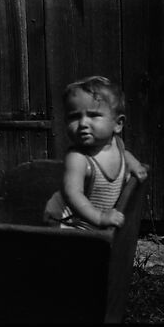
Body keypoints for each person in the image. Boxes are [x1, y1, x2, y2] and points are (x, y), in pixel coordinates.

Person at [44, 76, 148, 230]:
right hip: (68, 220)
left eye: (93, 115)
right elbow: (72, 194)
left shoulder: (116, 143)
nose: (83, 124)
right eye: (74, 117)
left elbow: (123, 153)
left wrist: (132, 162)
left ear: (118, 124)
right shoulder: (77, 158)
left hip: (93, 219)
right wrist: (99, 217)